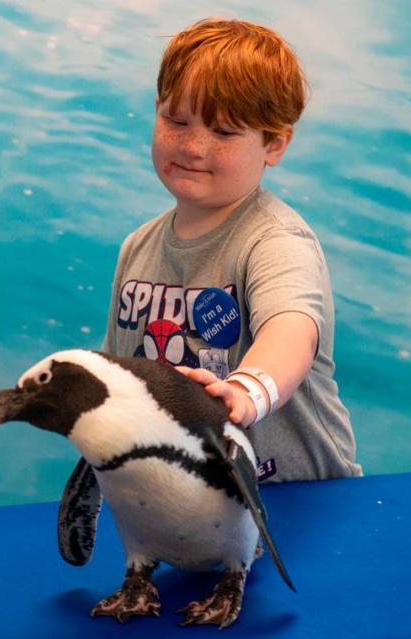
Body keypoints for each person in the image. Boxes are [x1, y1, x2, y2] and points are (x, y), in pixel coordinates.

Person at [101, 18, 362, 482]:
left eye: (223, 133)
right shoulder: (137, 247)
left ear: (274, 144)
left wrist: (248, 389)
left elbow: (292, 329)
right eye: (175, 120)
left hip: (295, 495)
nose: (193, 145)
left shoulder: (274, 241)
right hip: (191, 498)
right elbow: (121, 376)